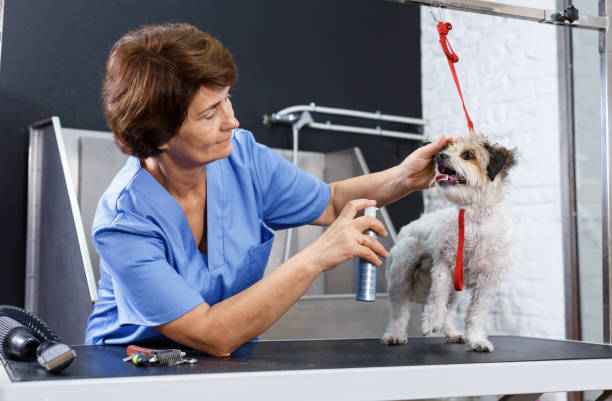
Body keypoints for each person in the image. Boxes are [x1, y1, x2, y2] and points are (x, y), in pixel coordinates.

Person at [84, 23, 452, 357]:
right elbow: (211, 334)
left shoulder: (242, 158)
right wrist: (317, 255)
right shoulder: (124, 221)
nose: (231, 120)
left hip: (225, 360)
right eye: (210, 113)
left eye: (227, 98)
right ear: (158, 135)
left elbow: (331, 202)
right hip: (133, 369)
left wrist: (404, 177)